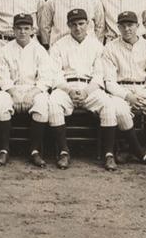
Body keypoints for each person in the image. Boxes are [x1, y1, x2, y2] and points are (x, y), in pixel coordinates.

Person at [48, 9, 121, 171]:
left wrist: (86, 92)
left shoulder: (97, 46)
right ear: (68, 25)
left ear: (88, 24)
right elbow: (55, 74)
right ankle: (63, 151)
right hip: (67, 87)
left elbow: (99, 74)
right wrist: (69, 90)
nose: (78, 28)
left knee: (108, 105)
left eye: (81, 24)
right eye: (73, 24)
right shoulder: (59, 45)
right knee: (53, 103)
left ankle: (108, 154)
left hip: (90, 88)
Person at [103, 11, 146, 163]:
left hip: (144, 91)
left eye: (130, 25)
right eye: (123, 26)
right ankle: (137, 151)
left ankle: (130, 147)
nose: (127, 29)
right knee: (120, 112)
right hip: (121, 92)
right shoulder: (110, 48)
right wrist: (128, 97)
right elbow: (109, 82)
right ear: (118, 28)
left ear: (138, 26)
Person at [0, 13, 54, 168]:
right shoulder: (5, 50)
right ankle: (4, 149)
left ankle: (34, 150)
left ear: (32, 30)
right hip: (10, 89)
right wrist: (13, 93)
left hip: (33, 90)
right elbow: (2, 76)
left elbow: (45, 78)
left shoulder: (39, 50)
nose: (22, 32)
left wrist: (31, 94)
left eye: (26, 28)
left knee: (42, 104)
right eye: (19, 28)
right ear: (13, 30)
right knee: (1, 103)